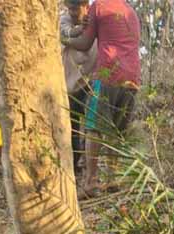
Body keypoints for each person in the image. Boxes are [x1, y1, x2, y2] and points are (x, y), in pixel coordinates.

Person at [62, 0, 141, 198]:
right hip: (133, 78)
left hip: (108, 75)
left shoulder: (99, 7)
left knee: (93, 129)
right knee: (117, 130)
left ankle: (90, 183)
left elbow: (85, 44)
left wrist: (62, 40)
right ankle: (113, 179)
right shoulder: (130, 10)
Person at [60, 0, 98, 176]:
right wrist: (80, 29)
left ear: (85, 6)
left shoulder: (94, 20)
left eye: (75, 8)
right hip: (70, 85)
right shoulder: (65, 20)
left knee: (91, 128)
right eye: (70, 8)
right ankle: (75, 168)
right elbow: (65, 32)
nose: (72, 12)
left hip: (90, 82)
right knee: (72, 129)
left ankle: (86, 165)